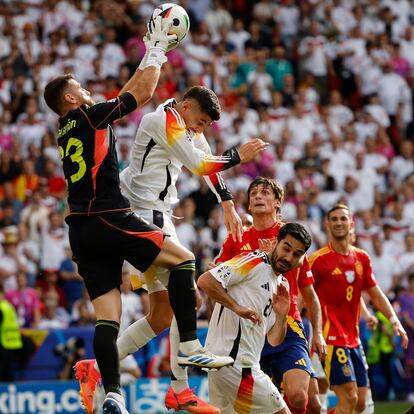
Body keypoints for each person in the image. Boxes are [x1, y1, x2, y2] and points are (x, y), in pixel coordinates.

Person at [43, 16, 233, 414]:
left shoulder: (70, 125)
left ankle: (110, 390)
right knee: (185, 262)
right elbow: (141, 92)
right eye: (80, 87)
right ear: (72, 100)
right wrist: (158, 49)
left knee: (111, 317)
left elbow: (128, 91)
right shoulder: (95, 117)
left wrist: (149, 49)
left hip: (80, 230)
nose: (88, 89)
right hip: (114, 217)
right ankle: (185, 367)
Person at [77, 85, 267, 413]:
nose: (201, 128)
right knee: (189, 298)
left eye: (206, 125)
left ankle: (97, 367)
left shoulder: (183, 122)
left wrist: (227, 202)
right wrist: (239, 156)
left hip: (156, 213)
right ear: (188, 106)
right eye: (202, 121)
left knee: (163, 314)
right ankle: (179, 388)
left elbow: (205, 156)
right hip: (147, 215)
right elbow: (199, 163)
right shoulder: (162, 120)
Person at [214, 176, 326, 414]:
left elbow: (311, 294)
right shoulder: (237, 237)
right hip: (250, 328)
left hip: (287, 324)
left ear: (278, 203)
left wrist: (318, 333)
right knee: (252, 406)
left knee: (303, 399)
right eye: (253, 193)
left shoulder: (291, 239)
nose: (257, 196)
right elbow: (215, 278)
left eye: (264, 192)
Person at [197, 222, 313, 413]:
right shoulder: (253, 260)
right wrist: (236, 307)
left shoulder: (282, 284)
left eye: (296, 254)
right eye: (286, 248)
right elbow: (206, 280)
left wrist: (282, 315)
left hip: (229, 365)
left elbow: (274, 340)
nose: (288, 257)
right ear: (276, 242)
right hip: (235, 364)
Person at [309, 204, 409, 414]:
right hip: (330, 338)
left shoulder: (361, 258)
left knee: (361, 403)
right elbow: (303, 296)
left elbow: (374, 292)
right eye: (334, 219)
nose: (338, 222)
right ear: (327, 225)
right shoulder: (318, 260)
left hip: (353, 339)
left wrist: (393, 320)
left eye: (342, 219)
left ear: (351, 224)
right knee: (348, 397)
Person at [0, 281, 23, 382]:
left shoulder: (1, 308)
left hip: (3, 345)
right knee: (9, 375)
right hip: (13, 343)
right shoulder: (8, 306)